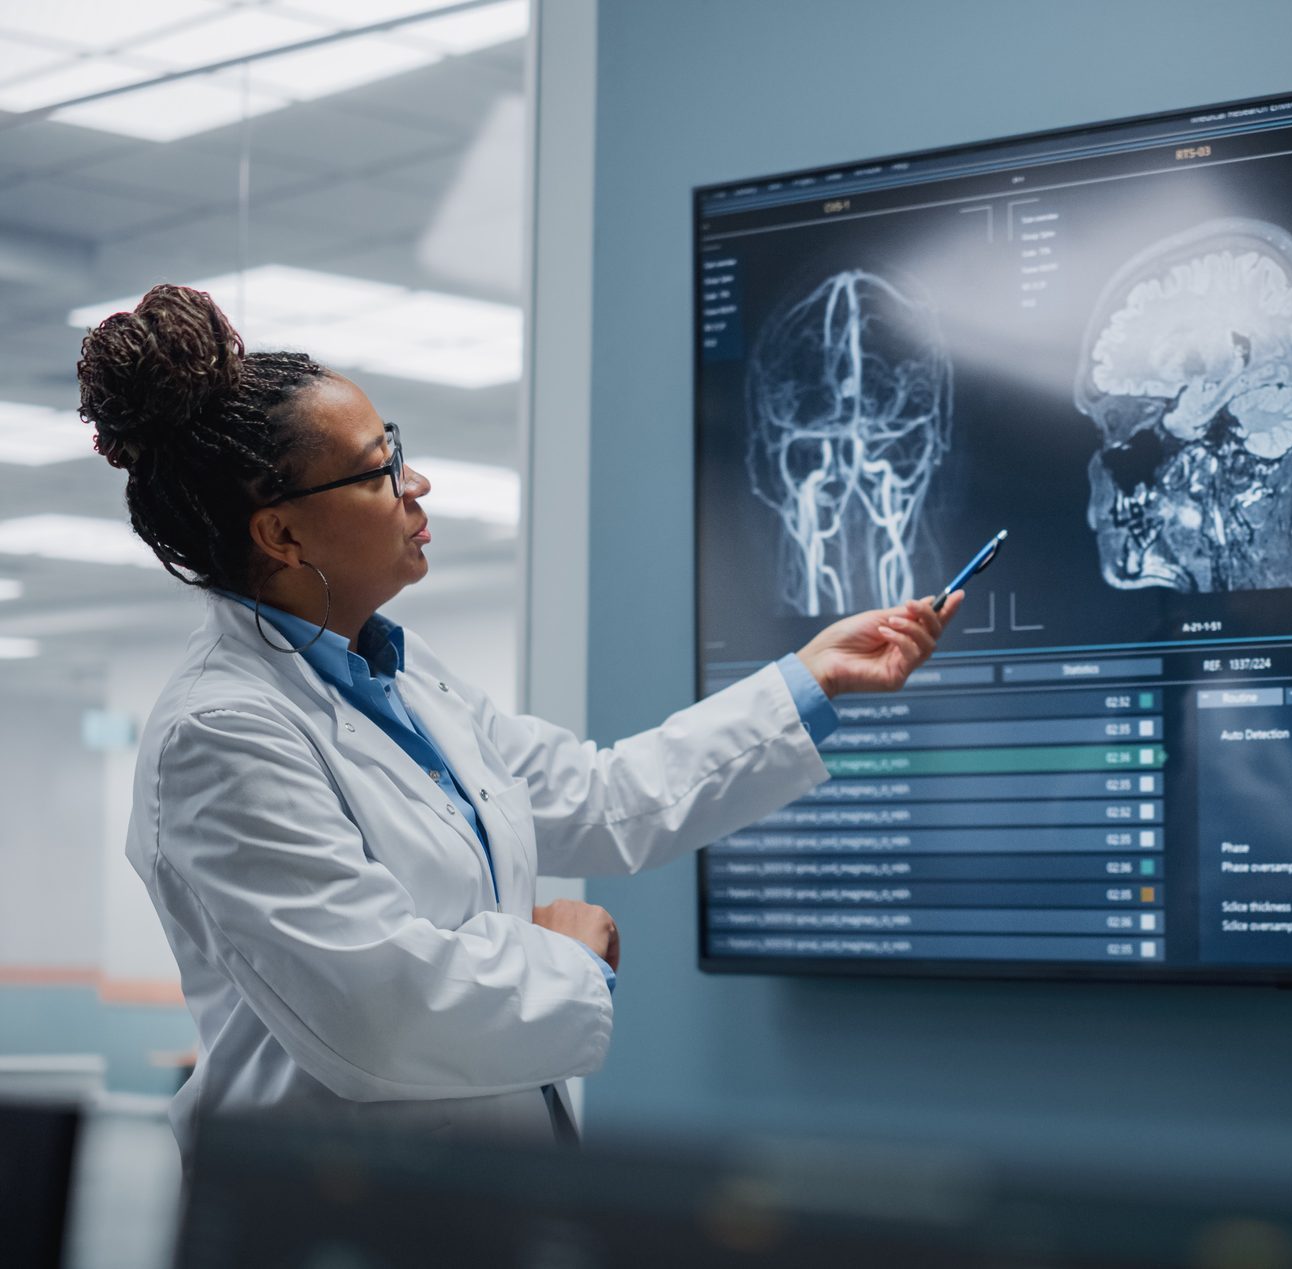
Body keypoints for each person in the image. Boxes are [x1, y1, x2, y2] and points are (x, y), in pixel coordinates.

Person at [75, 284, 962, 1163]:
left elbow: (607, 797)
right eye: (379, 467)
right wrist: (572, 960)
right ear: (283, 535)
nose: (414, 482)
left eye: (398, 451)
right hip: (336, 1202)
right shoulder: (223, 732)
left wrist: (812, 677)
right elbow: (379, 1014)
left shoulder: (403, 676)